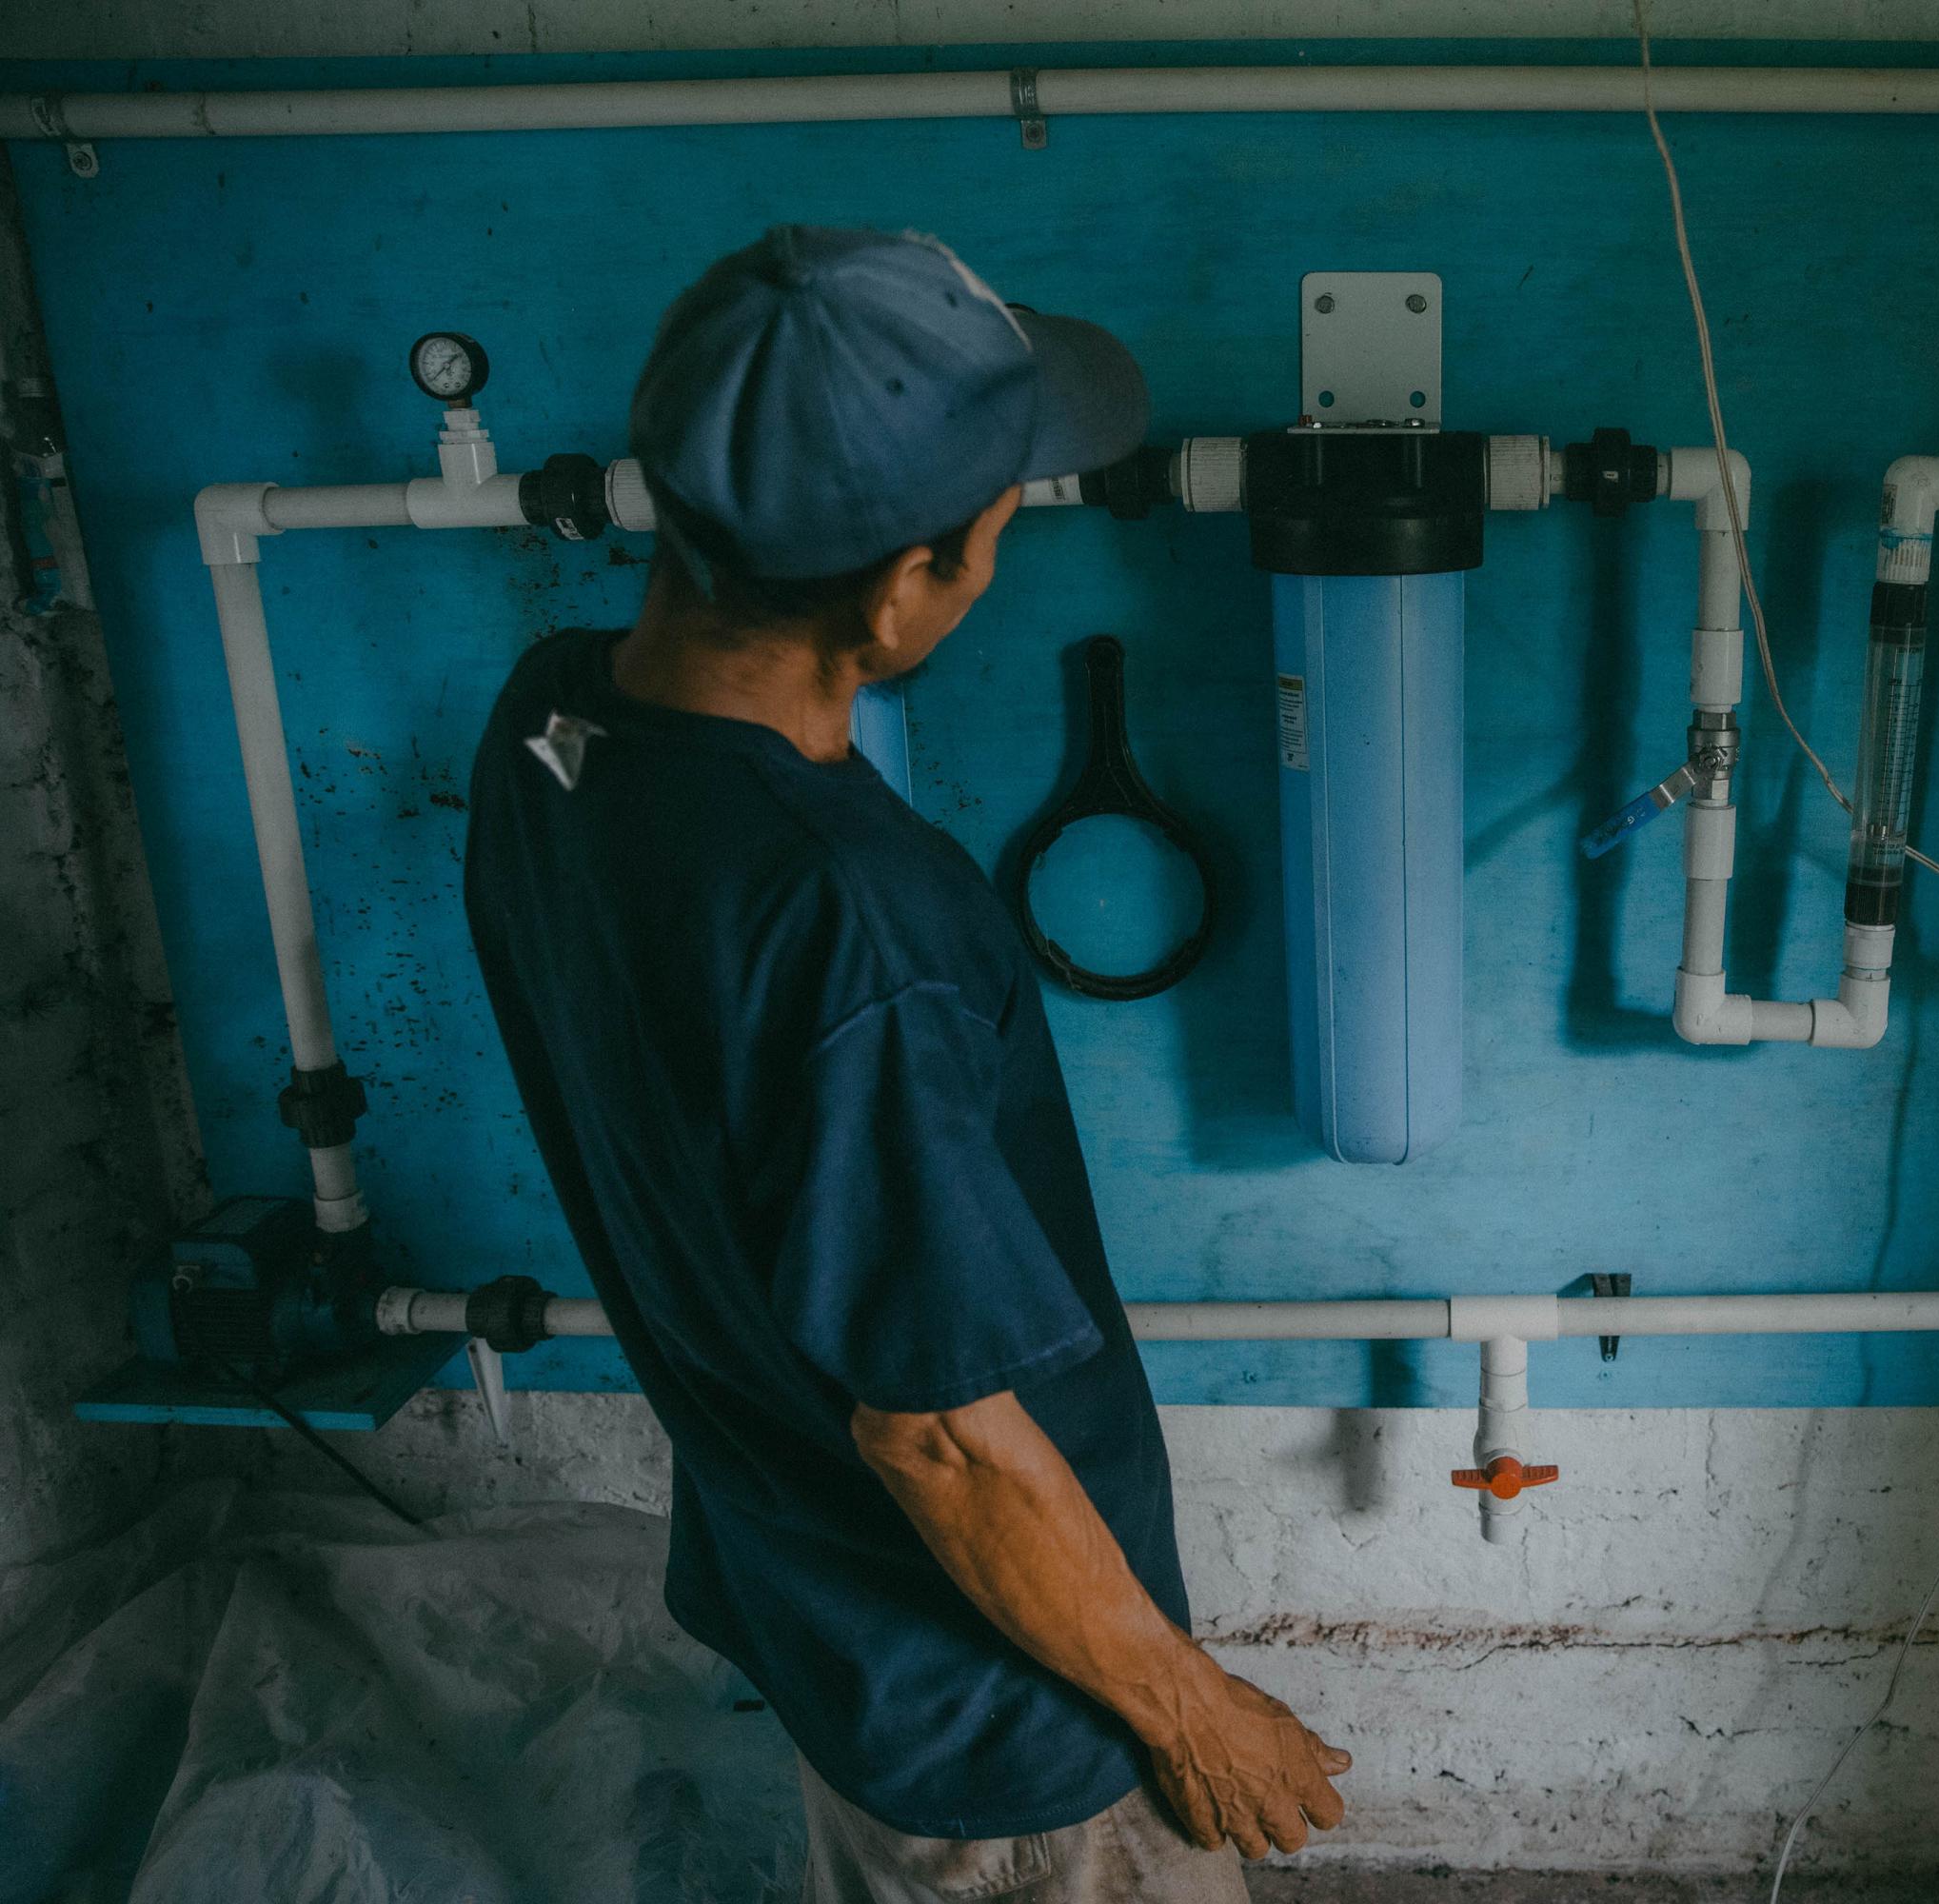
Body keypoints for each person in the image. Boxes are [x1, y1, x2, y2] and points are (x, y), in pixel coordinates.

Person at [463, 227, 1347, 1903]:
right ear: (901, 590)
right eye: (1000, 527)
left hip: (821, 1619)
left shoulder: (549, 731)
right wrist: (1193, 1705)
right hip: (1007, 1723)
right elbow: (934, 1435)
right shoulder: (853, 918)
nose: (999, 555)